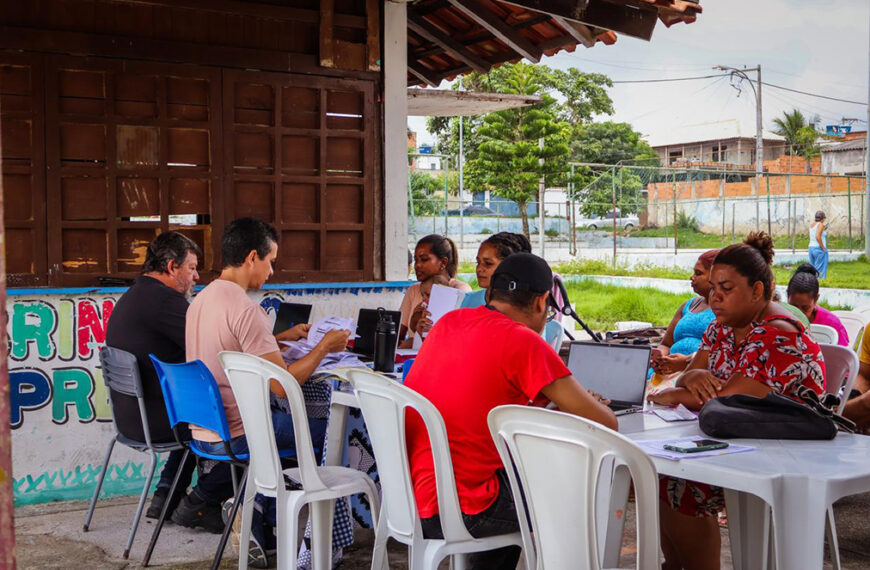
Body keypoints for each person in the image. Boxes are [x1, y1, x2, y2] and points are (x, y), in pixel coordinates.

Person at [404, 253, 617, 570]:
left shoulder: (449, 323)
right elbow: (606, 424)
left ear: (491, 294)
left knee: (508, 480)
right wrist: (588, 403)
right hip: (469, 508)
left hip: (414, 497)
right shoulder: (525, 342)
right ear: (542, 302)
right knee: (571, 490)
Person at [649, 232, 826, 570]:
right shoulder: (723, 327)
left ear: (757, 290)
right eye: (713, 288)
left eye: (726, 289)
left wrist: (674, 390)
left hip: (788, 449)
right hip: (739, 437)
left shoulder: (778, 333)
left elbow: (724, 398)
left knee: (682, 482)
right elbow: (693, 375)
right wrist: (688, 378)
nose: (714, 297)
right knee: (663, 473)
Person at [185, 217, 350, 566]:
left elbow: (229, 346)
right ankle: (315, 537)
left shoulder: (202, 299)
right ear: (251, 258)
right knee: (334, 433)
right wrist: (324, 347)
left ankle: (261, 512)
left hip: (204, 428)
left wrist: (277, 339)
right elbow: (283, 385)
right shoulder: (247, 310)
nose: (271, 271)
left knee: (299, 429)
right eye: (270, 261)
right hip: (240, 431)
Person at [105, 231, 228, 528]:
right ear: (172, 267)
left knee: (194, 412)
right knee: (237, 421)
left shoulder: (137, 294)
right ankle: (203, 501)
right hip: (158, 421)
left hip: (131, 418)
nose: (196, 276)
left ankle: (165, 496)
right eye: (192, 268)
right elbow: (212, 347)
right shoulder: (164, 301)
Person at [650, 249, 718, 377]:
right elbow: (666, 344)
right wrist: (660, 357)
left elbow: (724, 354)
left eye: (698, 273)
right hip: (665, 372)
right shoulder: (689, 305)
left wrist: (686, 361)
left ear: (717, 276)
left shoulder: (727, 312)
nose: (692, 277)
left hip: (698, 375)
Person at [398, 234, 471, 344]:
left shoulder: (459, 290)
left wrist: (413, 342)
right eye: (416, 260)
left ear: (443, 262)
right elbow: (398, 335)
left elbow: (457, 338)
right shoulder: (413, 290)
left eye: (424, 259)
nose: (417, 265)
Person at [461, 232, 532, 309]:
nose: (479, 269)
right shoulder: (467, 300)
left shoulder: (526, 308)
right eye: (478, 262)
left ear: (510, 266)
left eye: (488, 263)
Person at [787, 263, 849, 346]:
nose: (799, 314)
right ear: (787, 298)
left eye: (805, 308)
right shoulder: (779, 320)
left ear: (816, 299)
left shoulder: (832, 324)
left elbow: (843, 352)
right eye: (793, 307)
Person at [808, 210, 828, 279]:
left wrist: (823, 229)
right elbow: (817, 237)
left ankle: (812, 281)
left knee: (813, 268)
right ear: (822, 218)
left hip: (811, 248)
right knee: (820, 269)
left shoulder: (812, 224)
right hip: (818, 248)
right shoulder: (821, 225)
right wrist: (823, 248)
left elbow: (815, 233)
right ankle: (820, 282)